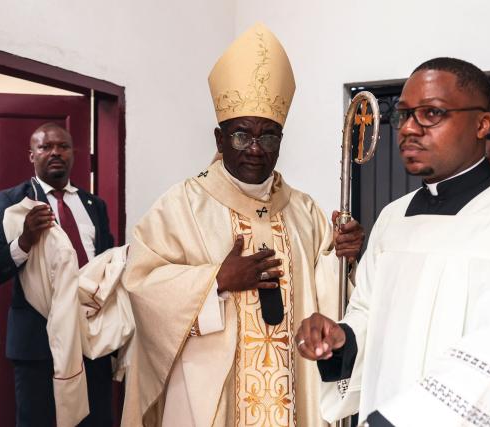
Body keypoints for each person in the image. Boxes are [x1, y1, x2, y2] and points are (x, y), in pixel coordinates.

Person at [296, 58, 490, 426]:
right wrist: (341, 341)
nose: (409, 129)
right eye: (404, 114)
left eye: (431, 113)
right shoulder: (393, 218)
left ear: (482, 124)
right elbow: (367, 312)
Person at [120, 23, 364, 427]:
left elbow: (330, 296)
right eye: (240, 136)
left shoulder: (305, 211)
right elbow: (141, 284)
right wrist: (215, 280)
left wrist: (345, 258)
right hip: (211, 393)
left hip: (293, 392)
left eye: (268, 137)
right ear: (219, 139)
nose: (255, 149)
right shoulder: (181, 204)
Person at [0, 123, 115, 427]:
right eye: (45, 147)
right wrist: (25, 240)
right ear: (32, 155)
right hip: (37, 346)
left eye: (63, 146)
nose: (55, 152)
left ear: (73, 154)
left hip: (91, 341)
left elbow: (107, 265)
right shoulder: (12, 202)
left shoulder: (94, 205)